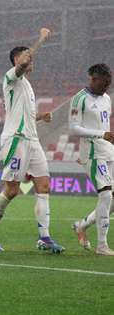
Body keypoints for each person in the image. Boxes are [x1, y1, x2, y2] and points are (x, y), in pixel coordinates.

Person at [0, 28, 64, 253]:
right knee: (11, 190)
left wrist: (40, 116)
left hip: (32, 139)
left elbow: (23, 115)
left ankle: (44, 237)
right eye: (26, 56)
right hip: (16, 141)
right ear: (16, 60)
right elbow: (22, 64)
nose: (31, 59)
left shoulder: (27, 86)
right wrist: (41, 39)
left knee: (44, 185)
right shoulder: (11, 77)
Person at [69, 63, 114, 255]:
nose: (107, 87)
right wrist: (100, 134)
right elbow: (73, 128)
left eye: (109, 84)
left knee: (112, 200)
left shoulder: (106, 98)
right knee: (105, 194)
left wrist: (106, 138)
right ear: (94, 79)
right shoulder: (79, 99)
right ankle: (102, 245)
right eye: (104, 83)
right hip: (93, 153)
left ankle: (81, 225)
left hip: (108, 151)